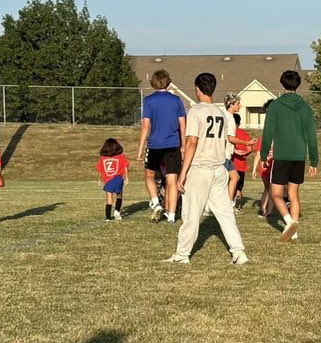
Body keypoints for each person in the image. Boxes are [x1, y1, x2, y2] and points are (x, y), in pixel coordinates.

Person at [164, 73, 248, 264]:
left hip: (200, 169)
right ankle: (238, 251)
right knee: (225, 213)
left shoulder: (195, 112)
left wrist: (183, 173)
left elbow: (192, 142)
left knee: (191, 214)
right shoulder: (221, 113)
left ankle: (182, 255)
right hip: (219, 169)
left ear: (197, 89)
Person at [259, 70, 319, 242]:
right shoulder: (306, 107)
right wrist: (314, 160)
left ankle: (288, 221)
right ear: (298, 85)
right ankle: (295, 231)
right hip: (299, 155)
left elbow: (268, 132)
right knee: (293, 194)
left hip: (282, 155)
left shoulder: (275, 106)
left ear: (282, 84)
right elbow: (311, 135)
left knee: (276, 193)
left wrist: (264, 156)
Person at [137, 69, 186, 224]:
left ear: (153, 82)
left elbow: (145, 126)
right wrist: (183, 145)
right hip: (173, 145)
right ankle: (171, 215)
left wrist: (140, 148)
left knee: (149, 176)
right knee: (172, 180)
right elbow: (182, 125)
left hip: (155, 145)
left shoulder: (149, 100)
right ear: (168, 81)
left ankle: (156, 203)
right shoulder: (176, 100)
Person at [96, 137, 129, 221]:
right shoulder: (121, 157)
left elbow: (100, 169)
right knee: (119, 195)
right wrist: (126, 177)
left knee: (109, 199)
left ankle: (107, 217)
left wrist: (99, 179)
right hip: (118, 178)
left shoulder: (103, 158)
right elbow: (125, 167)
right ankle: (117, 211)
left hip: (108, 180)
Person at [228, 112, 252, 212]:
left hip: (230, 163)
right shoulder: (244, 134)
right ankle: (238, 205)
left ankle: (229, 203)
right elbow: (250, 149)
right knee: (239, 187)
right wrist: (244, 153)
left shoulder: (229, 133)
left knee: (229, 185)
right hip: (241, 164)